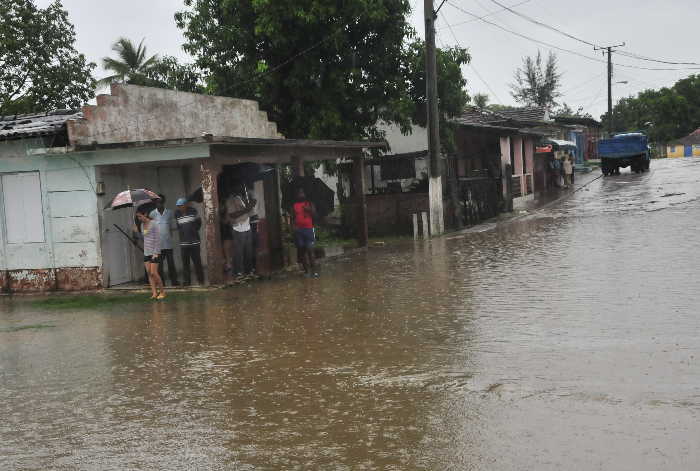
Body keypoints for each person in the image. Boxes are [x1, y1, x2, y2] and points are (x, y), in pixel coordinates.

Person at [225, 183, 256, 278]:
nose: (242, 188)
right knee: (239, 252)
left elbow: (250, 209)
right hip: (238, 228)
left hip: (247, 227)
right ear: (234, 188)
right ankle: (238, 272)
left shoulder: (243, 197)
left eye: (242, 186)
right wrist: (246, 209)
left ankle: (249, 270)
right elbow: (232, 215)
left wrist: (251, 204)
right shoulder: (230, 200)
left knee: (248, 251)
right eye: (239, 186)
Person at [135, 208, 166, 299]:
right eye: (138, 217)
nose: (139, 218)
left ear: (146, 214)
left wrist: (155, 253)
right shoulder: (141, 225)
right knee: (149, 273)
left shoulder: (154, 224)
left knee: (154, 273)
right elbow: (144, 238)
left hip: (154, 252)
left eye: (140, 216)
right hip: (146, 252)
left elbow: (157, 239)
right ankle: (154, 293)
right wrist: (137, 233)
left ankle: (163, 292)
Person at [150, 195, 179, 286]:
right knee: (160, 267)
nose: (159, 204)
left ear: (164, 202)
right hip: (158, 246)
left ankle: (174, 282)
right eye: (158, 202)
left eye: (161, 202)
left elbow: (173, 227)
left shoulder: (169, 213)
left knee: (171, 264)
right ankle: (161, 283)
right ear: (155, 203)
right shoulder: (152, 214)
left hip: (168, 244)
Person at [175, 198, 204, 286]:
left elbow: (199, 222)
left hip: (194, 242)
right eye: (178, 206)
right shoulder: (177, 214)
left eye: (181, 206)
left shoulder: (193, 211)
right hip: (184, 243)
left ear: (186, 205)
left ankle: (201, 280)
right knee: (185, 264)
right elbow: (178, 226)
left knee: (197, 262)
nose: (180, 208)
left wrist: (193, 230)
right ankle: (187, 282)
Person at [292, 188, 318, 277]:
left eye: (302, 193)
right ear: (297, 195)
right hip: (298, 231)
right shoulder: (294, 205)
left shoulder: (309, 203)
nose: (301, 194)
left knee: (310, 250)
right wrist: (293, 228)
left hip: (309, 230)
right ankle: (306, 272)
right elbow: (293, 218)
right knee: (302, 252)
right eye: (299, 193)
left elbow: (315, 215)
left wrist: (309, 209)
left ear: (305, 194)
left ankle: (314, 272)